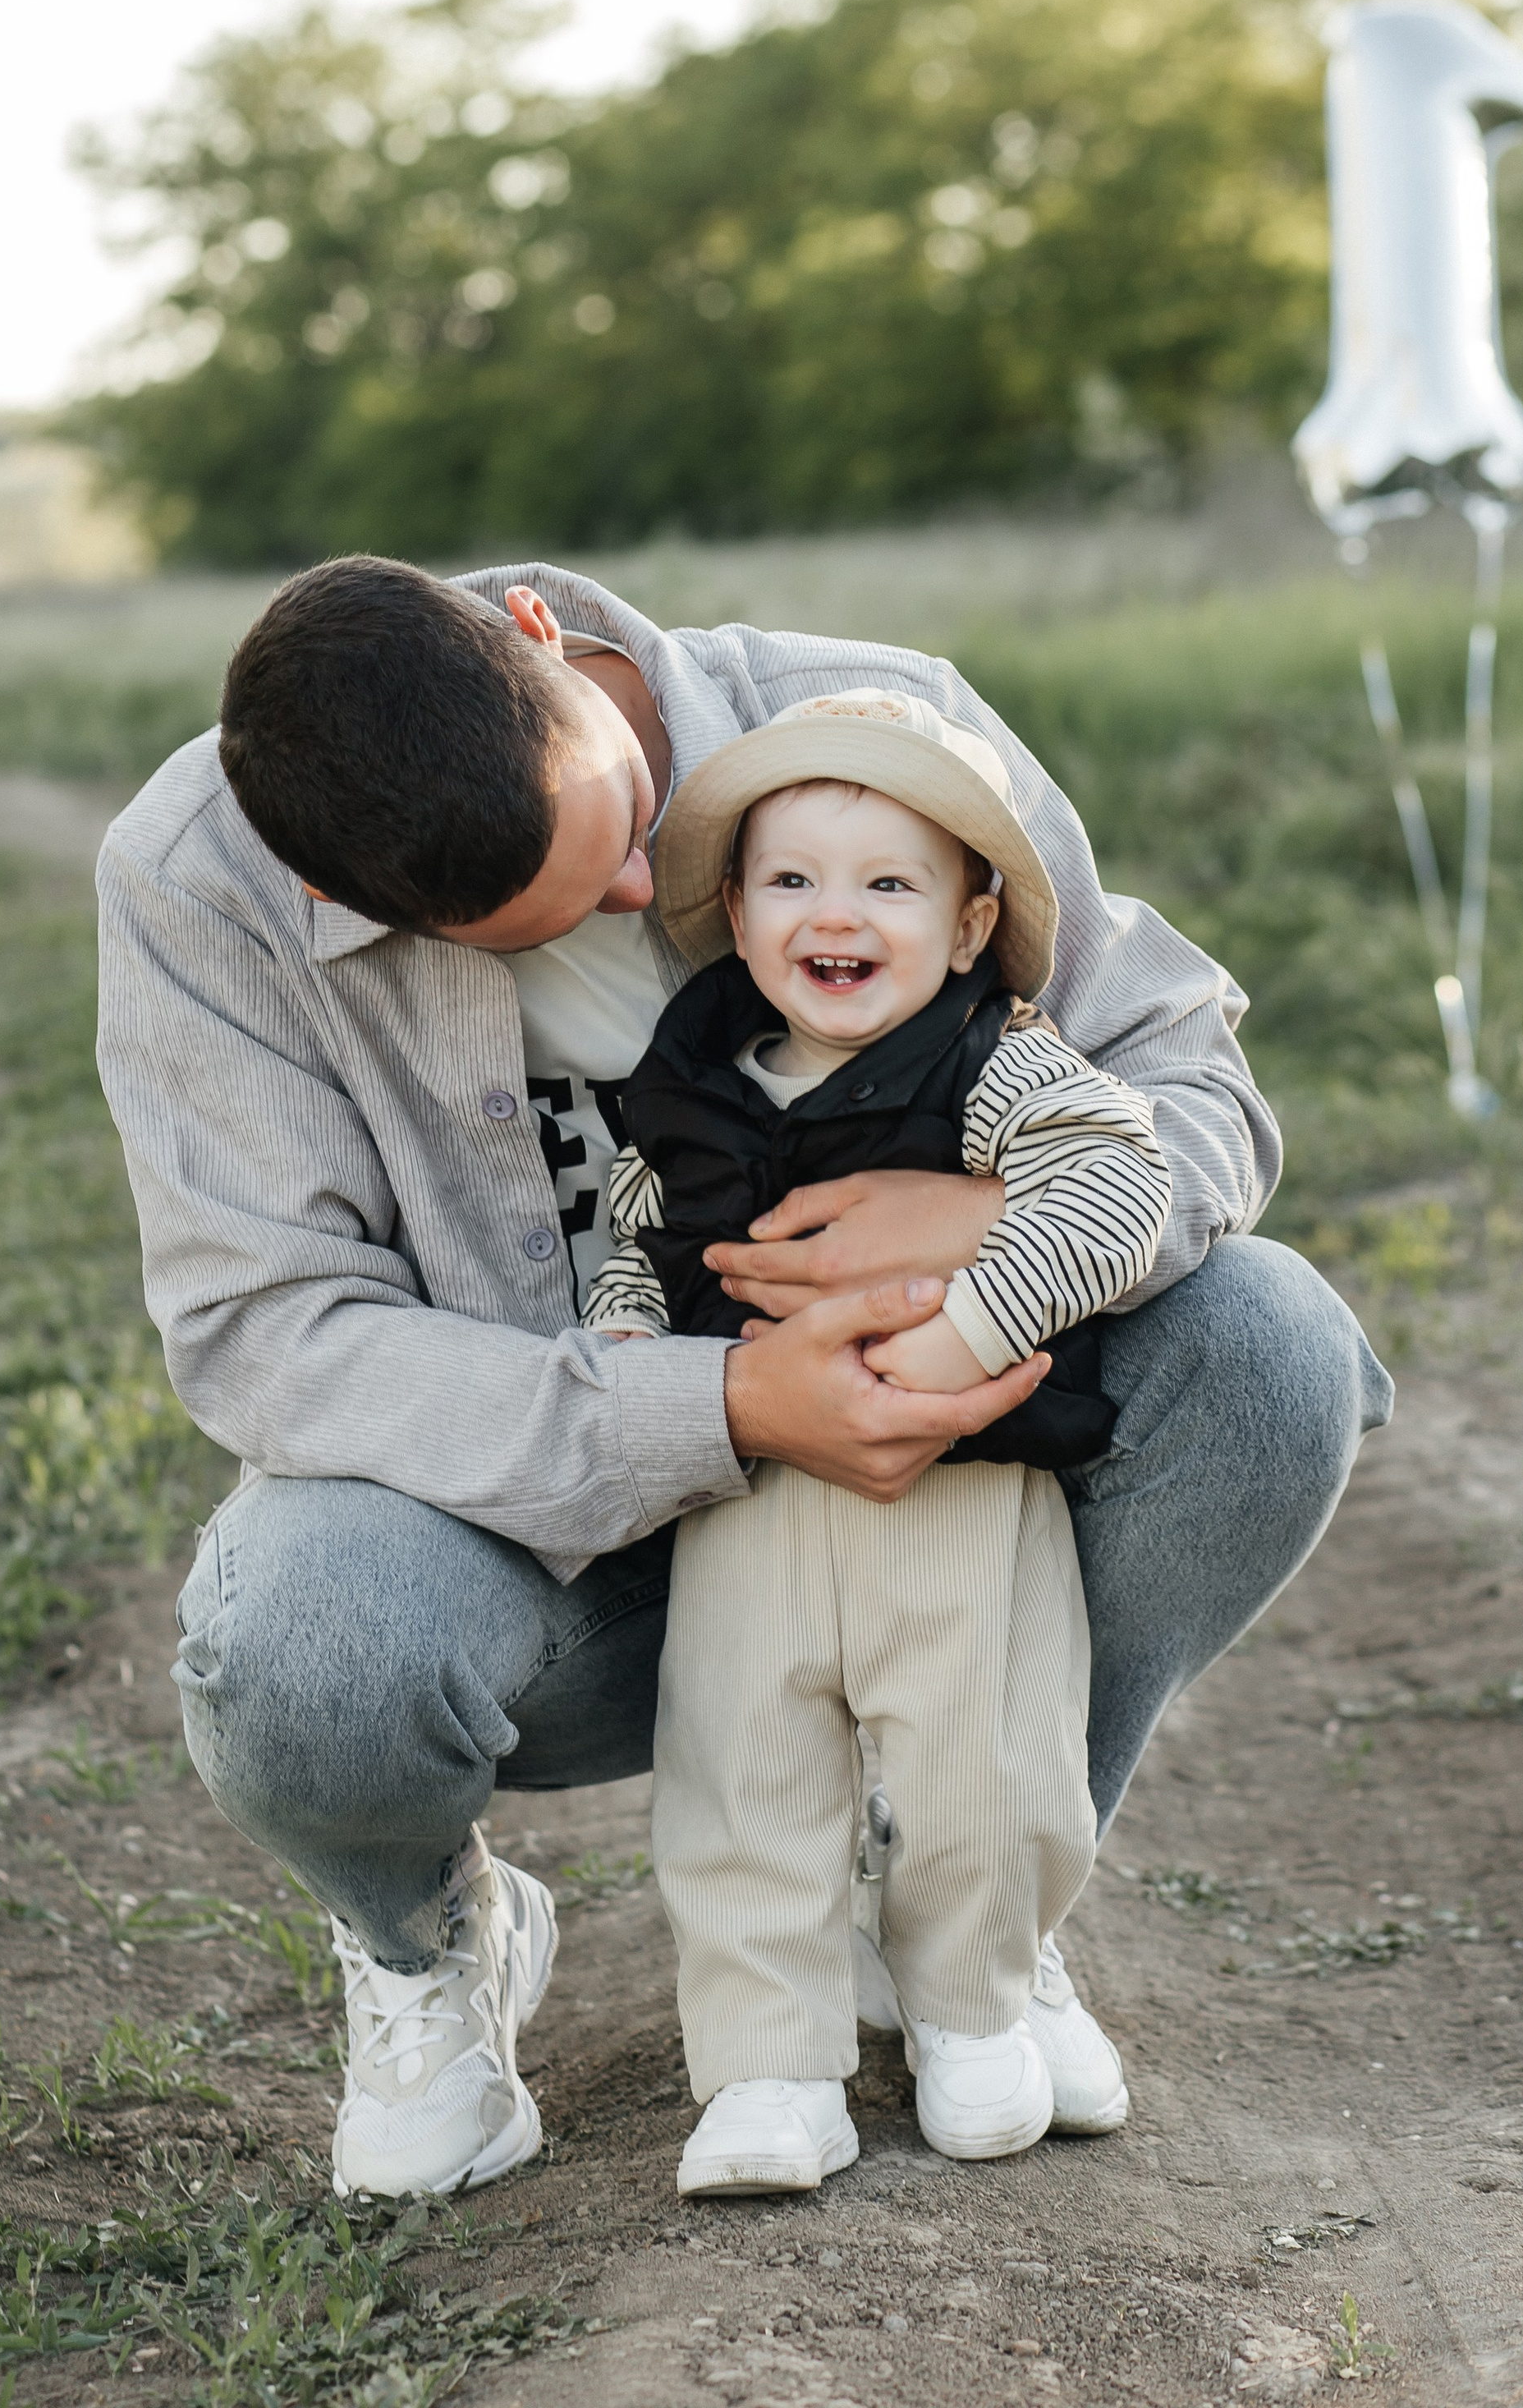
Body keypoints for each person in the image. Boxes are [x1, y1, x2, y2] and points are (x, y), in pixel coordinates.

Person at [94, 554, 1392, 2204]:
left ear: (539, 638)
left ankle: (967, 1913)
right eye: (547, 925)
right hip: (544, 1548)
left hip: (951, 1488)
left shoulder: (869, 725)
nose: (648, 902)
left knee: (1267, 1346)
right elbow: (269, 1334)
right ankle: (430, 1950)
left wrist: (995, 1224)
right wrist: (714, 1408)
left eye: (634, 822)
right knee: (298, 1651)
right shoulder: (196, 880)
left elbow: (1184, 1065)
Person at [581, 688, 1173, 2193]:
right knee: (740, 1772)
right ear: (733, 909)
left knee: (984, 1766)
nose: (834, 915)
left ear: (971, 928)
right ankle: (769, 2069)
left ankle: (976, 2017)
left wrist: (961, 1340)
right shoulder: (696, 1079)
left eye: (889, 884)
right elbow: (645, 1239)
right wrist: (634, 1352)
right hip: (751, 1498)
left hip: (956, 1484)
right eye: (793, 880)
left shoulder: (1004, 1068)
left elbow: (1121, 1192)